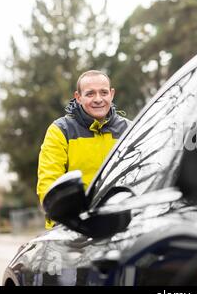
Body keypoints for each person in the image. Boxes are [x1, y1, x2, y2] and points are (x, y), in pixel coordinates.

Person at [37, 70, 131, 229]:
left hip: (123, 224)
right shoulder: (60, 131)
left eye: (103, 92)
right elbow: (49, 184)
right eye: (90, 94)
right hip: (73, 228)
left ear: (112, 94)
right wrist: (65, 223)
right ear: (78, 97)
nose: (98, 99)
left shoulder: (130, 129)